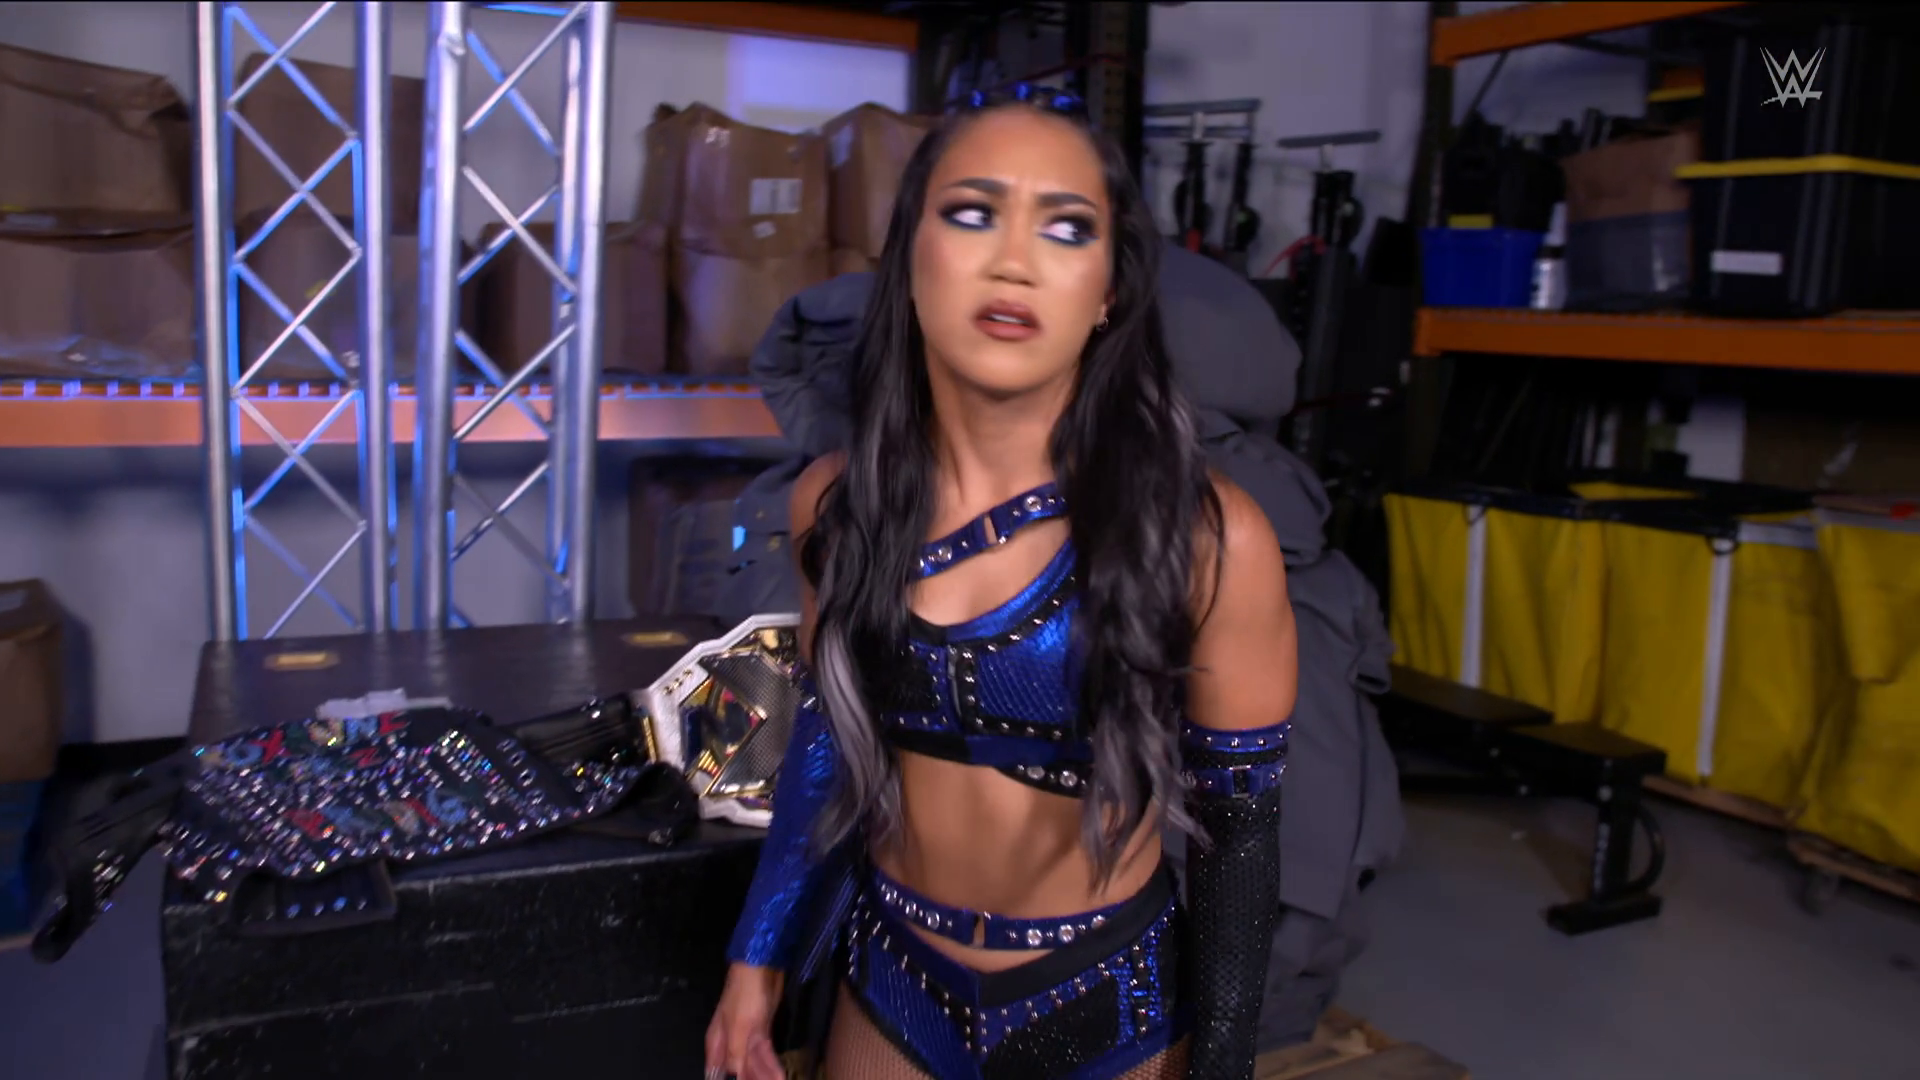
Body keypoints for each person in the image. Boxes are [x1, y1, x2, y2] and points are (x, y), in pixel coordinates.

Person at [704, 86, 1300, 1080]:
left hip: (1103, 1000)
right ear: (911, 259)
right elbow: (828, 745)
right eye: (973, 213)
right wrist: (755, 959)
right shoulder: (838, 509)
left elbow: (1239, 839)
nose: (1013, 260)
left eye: (1066, 228)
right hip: (893, 980)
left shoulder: (1205, 536)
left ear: (1109, 290)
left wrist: (1223, 1071)